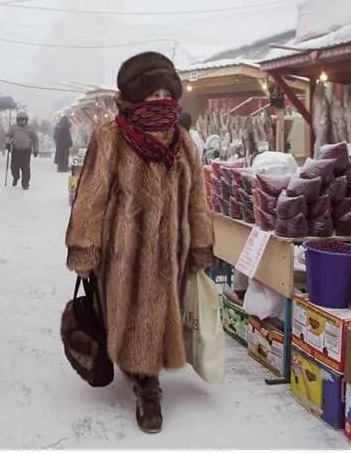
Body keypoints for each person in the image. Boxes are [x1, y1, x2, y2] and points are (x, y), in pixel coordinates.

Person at [65, 51, 214, 434]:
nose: (160, 99)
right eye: (152, 93)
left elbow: (197, 197)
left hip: (172, 255)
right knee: (128, 312)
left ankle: (143, 374)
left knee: (158, 314)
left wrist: (199, 244)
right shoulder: (111, 137)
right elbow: (91, 196)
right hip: (122, 253)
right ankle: (146, 387)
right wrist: (85, 247)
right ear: (135, 97)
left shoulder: (183, 142)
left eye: (167, 92)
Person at [5, 111, 39, 190]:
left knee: (25, 167)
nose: (22, 121)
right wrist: (8, 143)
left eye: (24, 120)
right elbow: (7, 135)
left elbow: (35, 139)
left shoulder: (30, 129)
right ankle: (16, 177)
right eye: (20, 120)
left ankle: (25, 183)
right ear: (17, 120)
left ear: (26, 120)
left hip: (26, 151)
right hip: (16, 150)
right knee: (14, 167)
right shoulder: (13, 127)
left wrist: (36, 149)